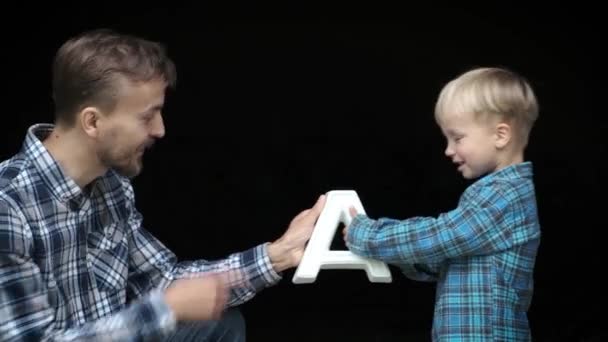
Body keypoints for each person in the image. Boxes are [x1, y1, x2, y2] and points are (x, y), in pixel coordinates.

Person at [0, 28, 326, 341]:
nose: (160, 130)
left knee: (221, 324)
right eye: (147, 116)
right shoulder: (9, 206)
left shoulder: (111, 186)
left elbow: (163, 281)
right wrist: (165, 309)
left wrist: (277, 255)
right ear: (93, 121)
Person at [343, 67, 541, 341]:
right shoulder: (496, 194)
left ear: (500, 135)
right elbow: (448, 256)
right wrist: (405, 258)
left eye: (457, 138)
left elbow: (442, 236)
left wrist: (367, 234)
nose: (448, 150)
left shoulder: (504, 196)